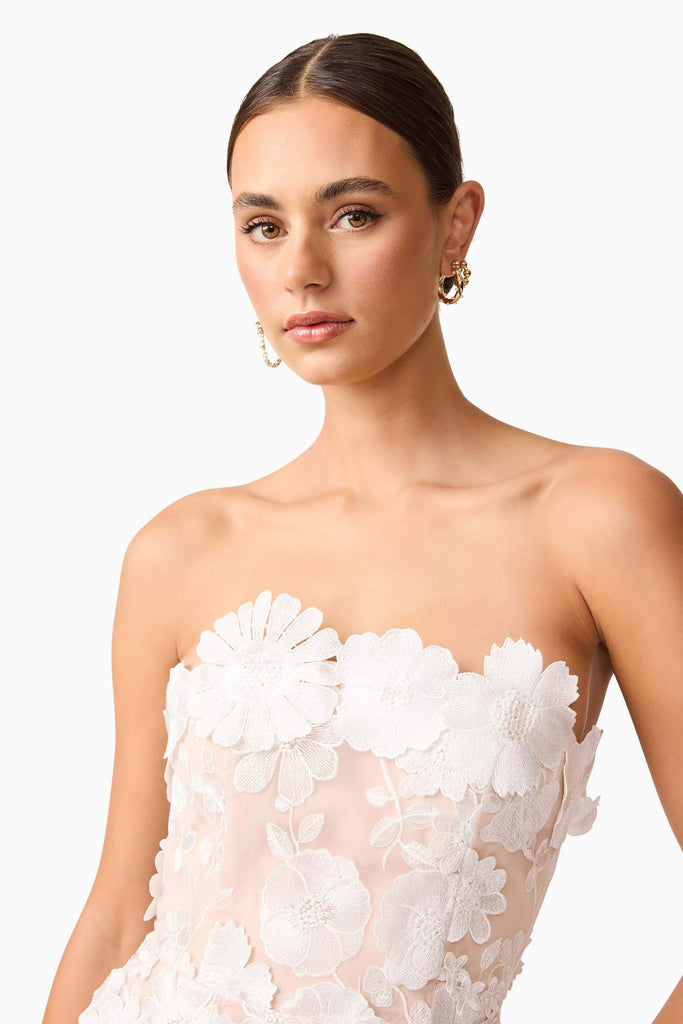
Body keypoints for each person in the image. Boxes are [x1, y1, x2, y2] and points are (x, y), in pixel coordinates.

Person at [42, 31, 683, 1024]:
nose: (301, 269)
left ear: (454, 225)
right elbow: (118, 919)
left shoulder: (593, 518)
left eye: (353, 215)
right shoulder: (181, 551)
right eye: (263, 226)